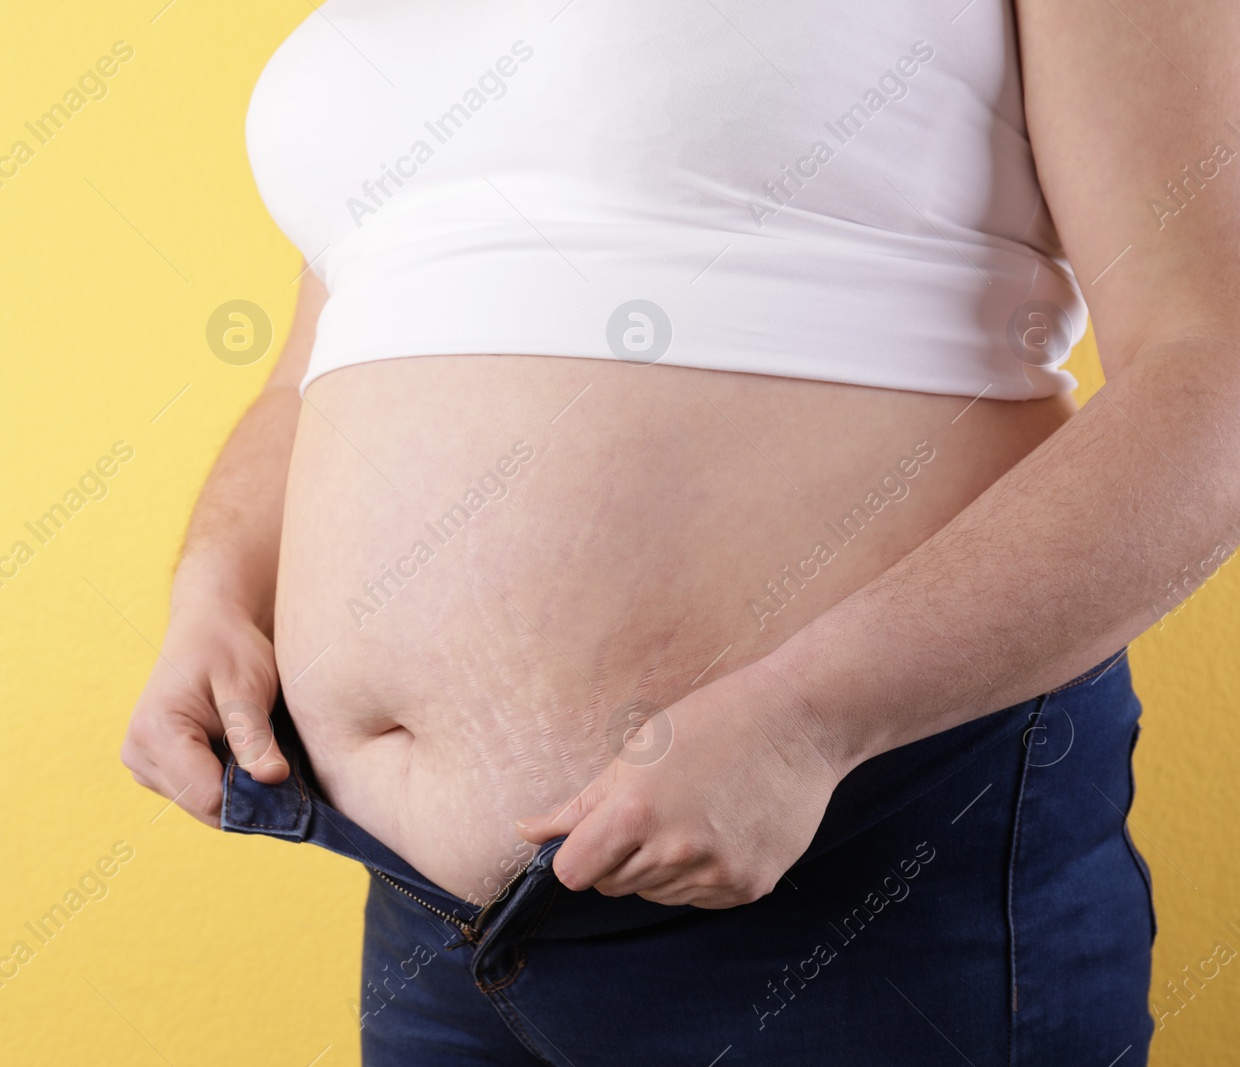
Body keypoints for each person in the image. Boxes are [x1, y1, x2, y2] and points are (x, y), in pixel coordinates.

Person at [122, 2, 1240, 1063]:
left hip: (851, 871)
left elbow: (1214, 368)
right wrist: (215, 586)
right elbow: (325, 356)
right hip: (429, 929)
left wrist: (808, 723)